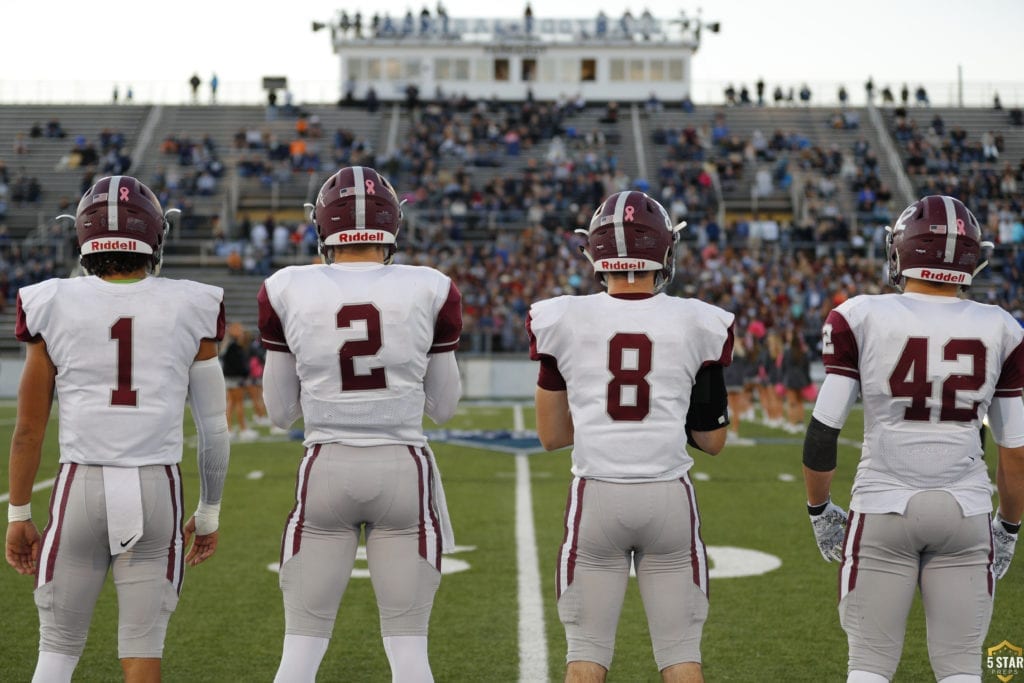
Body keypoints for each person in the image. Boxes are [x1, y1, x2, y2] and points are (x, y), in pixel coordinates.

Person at [5, 175, 230, 682]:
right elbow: (214, 429)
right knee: (142, 653)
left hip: (81, 485)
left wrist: (19, 511)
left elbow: (28, 429)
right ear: (154, 238)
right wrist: (210, 511)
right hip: (157, 489)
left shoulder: (51, 301)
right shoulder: (192, 302)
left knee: (57, 652)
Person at [802, 195, 1024, 683]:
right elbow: (1015, 451)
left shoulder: (859, 315)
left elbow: (824, 429)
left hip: (883, 505)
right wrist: (1008, 527)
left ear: (902, 250)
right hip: (965, 510)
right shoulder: (1002, 327)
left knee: (868, 669)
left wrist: (820, 511)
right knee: (963, 669)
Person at [258, 165, 463, 682]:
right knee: (410, 650)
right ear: (393, 222)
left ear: (322, 227)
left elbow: (280, 412)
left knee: (299, 650)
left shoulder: (286, 286)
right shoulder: (432, 286)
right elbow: (445, 406)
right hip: (404, 469)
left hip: (326, 464)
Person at [528, 190, 734, 683]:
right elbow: (712, 441)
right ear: (664, 251)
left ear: (596, 253)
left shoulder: (560, 318)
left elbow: (552, 435)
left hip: (597, 497)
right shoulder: (697, 321)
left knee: (585, 661)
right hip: (668, 499)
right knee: (682, 658)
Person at [222, 321, 257, 441]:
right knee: (239, 403)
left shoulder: (230, 346)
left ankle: (228, 429)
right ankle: (243, 429)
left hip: (230, 378)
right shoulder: (234, 347)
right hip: (235, 379)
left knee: (231, 403)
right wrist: (245, 374)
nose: (242, 333)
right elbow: (239, 365)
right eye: (240, 331)